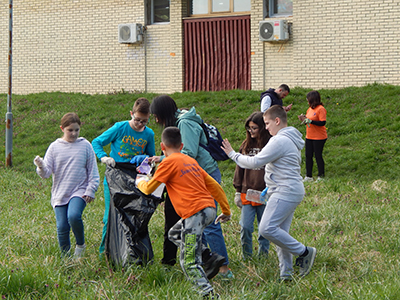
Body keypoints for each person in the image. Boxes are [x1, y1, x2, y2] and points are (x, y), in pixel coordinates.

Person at [221, 105, 317, 281]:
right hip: (288, 190)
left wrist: (232, 154)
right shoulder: (290, 139)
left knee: (266, 228)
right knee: (281, 233)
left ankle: (304, 252)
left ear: (277, 121)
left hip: (285, 191)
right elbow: (282, 168)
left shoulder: (279, 140)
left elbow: (255, 161)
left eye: (267, 123)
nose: (266, 127)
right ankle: (286, 274)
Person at [137, 127, 231, 298]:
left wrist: (140, 181)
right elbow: (215, 186)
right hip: (209, 210)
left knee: (188, 262)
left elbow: (149, 189)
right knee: (175, 233)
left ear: (162, 146)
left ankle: (208, 295)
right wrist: (225, 210)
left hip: (194, 214)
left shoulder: (167, 162)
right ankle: (206, 255)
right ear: (181, 146)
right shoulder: (190, 161)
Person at [149, 95, 233, 279]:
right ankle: (206, 260)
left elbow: (188, 153)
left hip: (204, 173)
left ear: (164, 113)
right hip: (193, 175)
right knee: (191, 224)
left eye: (157, 116)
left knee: (209, 223)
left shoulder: (185, 123)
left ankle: (223, 269)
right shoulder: (181, 120)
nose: (156, 120)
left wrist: (162, 159)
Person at [92, 97, 156, 254]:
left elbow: (152, 158)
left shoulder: (148, 134)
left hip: (136, 177)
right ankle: (105, 254)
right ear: (131, 114)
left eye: (144, 121)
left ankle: (131, 252)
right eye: (137, 120)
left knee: (133, 216)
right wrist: (104, 157)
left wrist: (145, 162)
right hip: (115, 175)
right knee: (110, 217)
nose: (140, 124)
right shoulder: (120, 128)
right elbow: (97, 142)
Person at [33, 113, 100, 258]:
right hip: (60, 193)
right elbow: (46, 173)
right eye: (70, 130)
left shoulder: (85, 146)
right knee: (62, 226)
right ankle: (66, 258)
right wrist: (40, 166)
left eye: (77, 130)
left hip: (80, 190)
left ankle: (80, 246)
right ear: (62, 128)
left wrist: (91, 190)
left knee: (74, 216)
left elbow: (93, 172)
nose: (74, 133)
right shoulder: (54, 147)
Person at [233, 112, 271, 260]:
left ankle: (263, 255)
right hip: (247, 193)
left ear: (262, 127)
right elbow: (239, 167)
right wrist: (237, 190)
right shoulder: (246, 145)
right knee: (246, 227)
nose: (251, 131)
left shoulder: (270, 144)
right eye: (249, 129)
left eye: (254, 128)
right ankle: (247, 256)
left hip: (265, 193)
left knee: (264, 228)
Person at [298, 90, 327, 182]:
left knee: (318, 155)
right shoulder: (310, 109)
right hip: (309, 136)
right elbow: (308, 120)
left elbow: (322, 122)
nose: (307, 101)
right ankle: (308, 176)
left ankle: (321, 176)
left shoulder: (320, 109)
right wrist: (304, 120)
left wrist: (311, 121)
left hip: (319, 137)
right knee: (308, 155)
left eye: (308, 99)